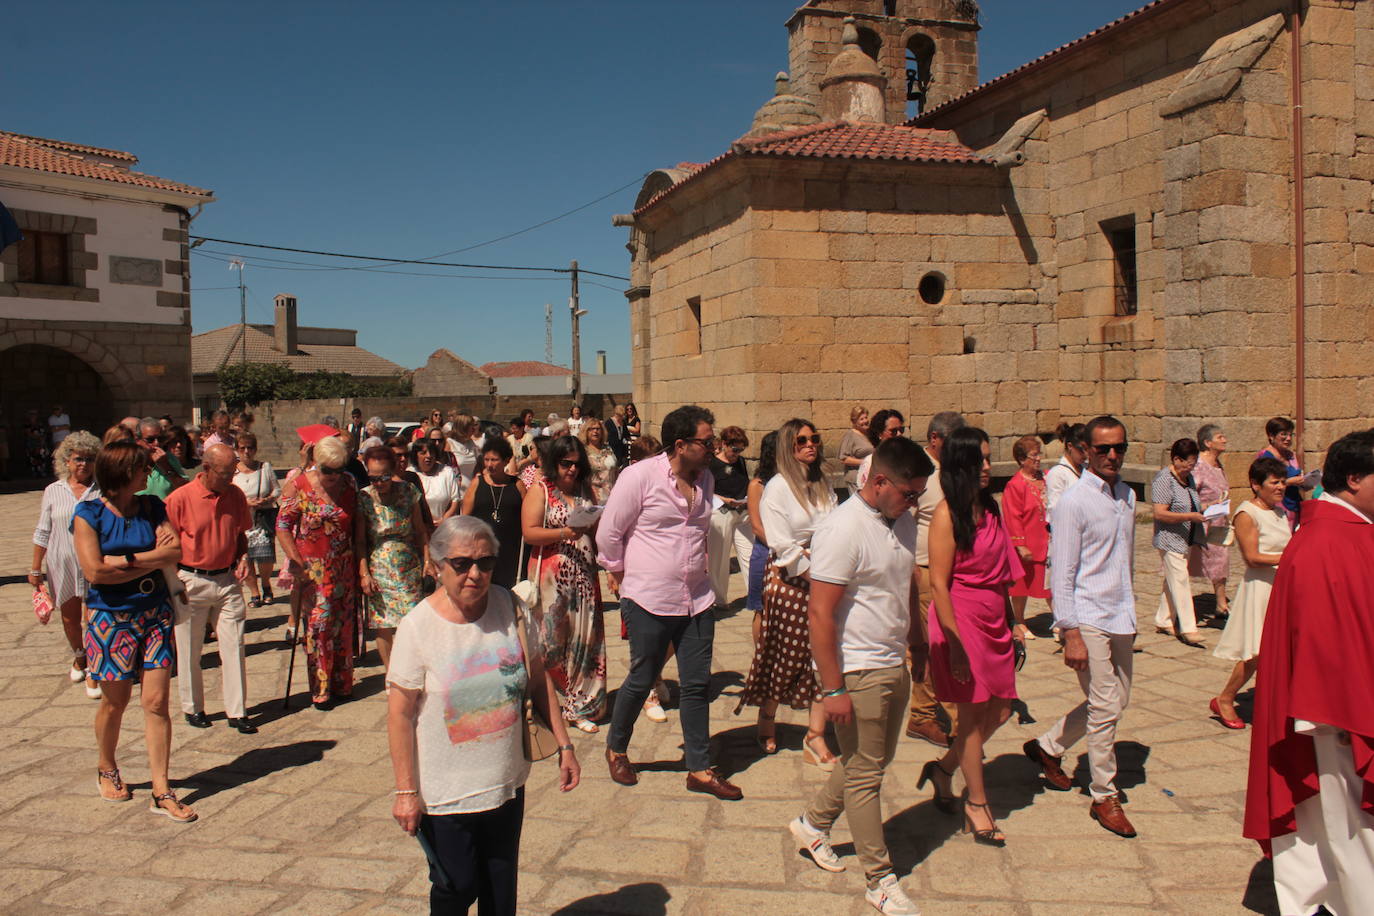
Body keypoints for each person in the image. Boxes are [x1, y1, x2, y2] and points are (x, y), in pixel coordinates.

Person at [388, 516, 580, 915]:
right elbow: (401, 715)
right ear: (437, 564)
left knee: (500, 889)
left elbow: (538, 677)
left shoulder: (509, 606)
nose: (475, 574)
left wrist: (565, 745)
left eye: (486, 563)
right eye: (461, 564)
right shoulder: (417, 627)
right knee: (455, 887)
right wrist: (406, 793)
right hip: (447, 794)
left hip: (504, 781)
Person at [788, 436, 932, 915]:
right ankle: (880, 879)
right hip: (857, 667)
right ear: (879, 481)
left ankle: (812, 824)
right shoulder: (843, 529)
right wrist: (833, 690)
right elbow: (820, 613)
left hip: (892, 660)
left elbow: (906, 582)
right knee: (868, 772)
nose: (914, 503)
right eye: (909, 493)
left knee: (869, 759)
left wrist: (916, 641)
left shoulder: (903, 520)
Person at [1244, 428, 1374, 915]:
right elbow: (1327, 641)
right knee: (1352, 828)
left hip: (1334, 709)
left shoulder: (1338, 532)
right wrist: (1341, 719)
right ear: (1356, 479)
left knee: (1324, 820)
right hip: (1339, 714)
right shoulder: (1329, 541)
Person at [597, 405, 742, 800]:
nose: (713, 447)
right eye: (706, 442)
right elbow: (610, 532)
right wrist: (621, 576)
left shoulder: (706, 479)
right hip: (648, 599)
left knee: (696, 684)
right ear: (681, 445)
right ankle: (617, 747)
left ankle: (698, 767)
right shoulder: (639, 477)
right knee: (643, 677)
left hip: (697, 598)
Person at [1024, 416, 1139, 838]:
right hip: (1088, 615)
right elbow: (1063, 569)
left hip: (1120, 613)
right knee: (1106, 704)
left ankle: (1048, 747)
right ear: (1086, 450)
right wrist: (1069, 630)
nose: (1112, 455)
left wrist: (1131, 610)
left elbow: (1123, 559)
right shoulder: (1073, 502)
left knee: (1115, 699)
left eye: (1119, 448)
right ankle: (1104, 794)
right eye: (1103, 448)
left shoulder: (1126, 496)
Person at [74, 441, 195, 822]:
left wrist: (126, 560)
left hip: (155, 614)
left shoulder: (152, 507)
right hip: (110, 618)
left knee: (157, 703)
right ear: (123, 472)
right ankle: (106, 765)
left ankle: (161, 790)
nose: (149, 474)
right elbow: (94, 571)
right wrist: (150, 559)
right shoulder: (88, 513)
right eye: (142, 469)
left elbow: (173, 552)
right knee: (116, 702)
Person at [922, 427, 1023, 846]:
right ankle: (977, 804)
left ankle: (944, 769)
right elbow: (940, 584)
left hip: (992, 618)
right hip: (959, 618)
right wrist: (955, 642)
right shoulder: (947, 515)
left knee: (999, 710)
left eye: (988, 458)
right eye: (978, 460)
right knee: (970, 714)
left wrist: (1013, 623)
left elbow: (1003, 574)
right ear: (959, 466)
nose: (987, 467)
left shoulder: (992, 509)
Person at [737, 418, 838, 767]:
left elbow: (837, 525)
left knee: (824, 657)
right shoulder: (777, 488)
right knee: (783, 655)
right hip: (791, 582)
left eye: (814, 438)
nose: (810, 445)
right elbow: (780, 543)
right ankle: (767, 717)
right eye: (801, 441)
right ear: (787, 448)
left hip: (824, 577)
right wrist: (814, 569)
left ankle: (816, 734)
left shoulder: (824, 484)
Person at [167, 444, 257, 734]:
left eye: (233, 472)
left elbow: (241, 533)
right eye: (225, 473)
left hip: (227, 578)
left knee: (234, 645)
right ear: (206, 468)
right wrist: (174, 581)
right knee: (190, 648)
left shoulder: (235, 495)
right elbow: (165, 544)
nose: (230, 479)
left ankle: (237, 710)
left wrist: (243, 556)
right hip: (191, 579)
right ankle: (193, 707)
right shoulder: (179, 499)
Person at [521, 435, 606, 733]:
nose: (571, 469)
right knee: (551, 643)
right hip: (550, 577)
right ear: (553, 463)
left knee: (584, 641)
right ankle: (547, 700)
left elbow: (595, 530)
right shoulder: (540, 490)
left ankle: (579, 705)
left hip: (584, 573)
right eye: (565, 463)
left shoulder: (586, 491)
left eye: (576, 463)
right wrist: (564, 533)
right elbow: (529, 533)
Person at [276, 433, 360, 709]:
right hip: (312, 569)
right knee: (319, 628)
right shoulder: (298, 485)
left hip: (344, 565)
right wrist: (294, 559)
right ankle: (321, 688)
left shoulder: (349, 483)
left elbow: (357, 523)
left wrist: (361, 564)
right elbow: (283, 525)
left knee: (344, 626)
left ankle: (343, 682)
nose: (334, 476)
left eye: (339, 469)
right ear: (316, 463)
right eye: (328, 470)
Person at [1210, 456, 1290, 729]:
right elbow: (1252, 557)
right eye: (1274, 482)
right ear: (1256, 485)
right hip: (1260, 587)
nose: (1280, 487)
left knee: (1281, 648)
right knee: (1256, 652)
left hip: (1280, 586)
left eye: (1283, 481)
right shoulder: (1247, 513)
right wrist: (1290, 555)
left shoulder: (1279, 511)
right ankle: (1225, 698)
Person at [907, 410, 966, 748]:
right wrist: (911, 568)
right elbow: (904, 521)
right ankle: (924, 715)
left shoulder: (950, 472)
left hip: (952, 570)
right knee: (931, 646)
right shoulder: (921, 474)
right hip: (927, 571)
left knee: (948, 642)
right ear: (935, 439)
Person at [30, 431, 102, 698]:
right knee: (70, 618)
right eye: (78, 459)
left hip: (94, 563)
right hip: (61, 563)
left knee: (93, 618)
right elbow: (42, 531)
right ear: (67, 461)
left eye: (89, 459)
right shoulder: (53, 491)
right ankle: (80, 656)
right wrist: (35, 569)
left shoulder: (102, 490)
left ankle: (94, 669)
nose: (83, 464)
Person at [358, 446, 428, 673]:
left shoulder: (408, 491)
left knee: (413, 622)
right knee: (383, 623)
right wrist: (364, 573)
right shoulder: (364, 497)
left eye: (384, 476)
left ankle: (413, 669)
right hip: (379, 566)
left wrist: (428, 561)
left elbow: (419, 531)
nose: (379, 482)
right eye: (373, 477)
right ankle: (391, 674)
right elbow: (359, 541)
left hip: (408, 564)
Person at [1152, 438, 1208, 647]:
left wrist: (1211, 506)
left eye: (1194, 463)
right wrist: (1189, 517)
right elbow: (1159, 512)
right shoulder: (1164, 480)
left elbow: (1192, 503)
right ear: (1177, 459)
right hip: (1169, 539)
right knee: (1181, 580)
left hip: (1186, 538)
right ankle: (1188, 627)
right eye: (1188, 462)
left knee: (1172, 580)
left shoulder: (1188, 478)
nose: (1191, 467)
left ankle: (1164, 619)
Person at [1002, 434, 1051, 641]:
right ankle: (1019, 620)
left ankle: (1062, 619)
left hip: (1047, 539)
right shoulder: (1016, 485)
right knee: (1021, 585)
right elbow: (1013, 515)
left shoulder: (1047, 478)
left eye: (1039, 454)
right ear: (1022, 459)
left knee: (1050, 583)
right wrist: (1020, 544)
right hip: (1028, 542)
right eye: (1033, 455)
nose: (1038, 459)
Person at [461, 436, 526, 589]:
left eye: (494, 460)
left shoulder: (517, 485)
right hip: (481, 548)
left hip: (510, 549)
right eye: (487, 459)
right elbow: (465, 517)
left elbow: (526, 516)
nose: (490, 464)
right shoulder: (477, 482)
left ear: (506, 460)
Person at [706, 426, 754, 610]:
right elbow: (706, 490)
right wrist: (724, 499)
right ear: (725, 444)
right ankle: (719, 599)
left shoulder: (740, 462)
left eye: (740, 450)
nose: (737, 454)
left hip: (742, 513)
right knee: (719, 558)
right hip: (722, 513)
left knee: (749, 554)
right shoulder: (712, 464)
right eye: (735, 450)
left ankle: (755, 593)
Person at [232, 432, 280, 609]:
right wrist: (244, 502)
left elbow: (277, 490)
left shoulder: (264, 467)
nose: (246, 452)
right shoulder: (233, 471)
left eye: (250, 448)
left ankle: (266, 583)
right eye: (242, 448)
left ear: (255, 449)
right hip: (242, 520)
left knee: (265, 556)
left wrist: (266, 500)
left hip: (262, 518)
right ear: (237, 449)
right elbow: (228, 494)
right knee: (247, 557)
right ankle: (254, 592)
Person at [1190, 423, 1232, 619]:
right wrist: (1210, 505)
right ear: (1207, 443)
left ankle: (1221, 603)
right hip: (1203, 524)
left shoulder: (1218, 464)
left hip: (1218, 523)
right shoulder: (1199, 466)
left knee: (1221, 561)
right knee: (1194, 564)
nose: (1224, 439)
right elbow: (1191, 495)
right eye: (1220, 437)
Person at [745, 431, 779, 648]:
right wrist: (782, 547)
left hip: (790, 553)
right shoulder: (757, 484)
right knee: (762, 609)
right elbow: (756, 526)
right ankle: (760, 656)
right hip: (766, 552)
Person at [1257, 416, 1315, 530]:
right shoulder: (1265, 457)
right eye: (1283, 434)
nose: (1288, 438)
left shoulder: (1290, 455)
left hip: (1294, 505)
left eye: (1290, 434)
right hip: (1276, 508)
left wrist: (1305, 481)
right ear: (1271, 436)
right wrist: (1288, 482)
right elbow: (1264, 485)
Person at [135, 419, 190, 499]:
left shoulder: (170, 459)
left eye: (160, 439)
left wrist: (166, 466)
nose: (156, 443)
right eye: (150, 440)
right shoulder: (130, 461)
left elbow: (185, 489)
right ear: (138, 440)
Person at [1045, 421, 1088, 522]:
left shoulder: (1088, 469)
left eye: (1088, 449)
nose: (1086, 454)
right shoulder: (1057, 474)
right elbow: (1055, 511)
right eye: (1082, 449)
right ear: (1070, 446)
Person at [854, 408, 905, 488]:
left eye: (901, 430)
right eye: (893, 431)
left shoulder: (908, 459)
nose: (899, 434)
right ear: (879, 433)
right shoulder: (870, 463)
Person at [413, 440, 461, 524]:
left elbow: (455, 499)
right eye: (423, 453)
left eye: (431, 452)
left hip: (443, 525)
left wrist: (444, 520)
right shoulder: (411, 474)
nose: (429, 455)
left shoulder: (447, 472)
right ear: (415, 455)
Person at [581, 417, 618, 504]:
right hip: (592, 498)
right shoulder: (583, 451)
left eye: (598, 429)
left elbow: (615, 470)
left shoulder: (608, 448)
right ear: (586, 432)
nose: (595, 431)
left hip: (612, 495)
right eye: (591, 429)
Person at [839, 405, 872, 497]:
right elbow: (843, 459)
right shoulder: (850, 435)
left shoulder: (869, 434)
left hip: (869, 477)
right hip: (856, 479)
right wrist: (865, 462)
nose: (865, 421)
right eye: (861, 419)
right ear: (854, 421)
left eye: (866, 417)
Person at [449, 414, 483, 493]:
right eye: (471, 426)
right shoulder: (449, 444)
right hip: (455, 491)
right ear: (463, 427)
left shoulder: (471, 444)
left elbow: (478, 466)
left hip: (471, 490)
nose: (474, 429)